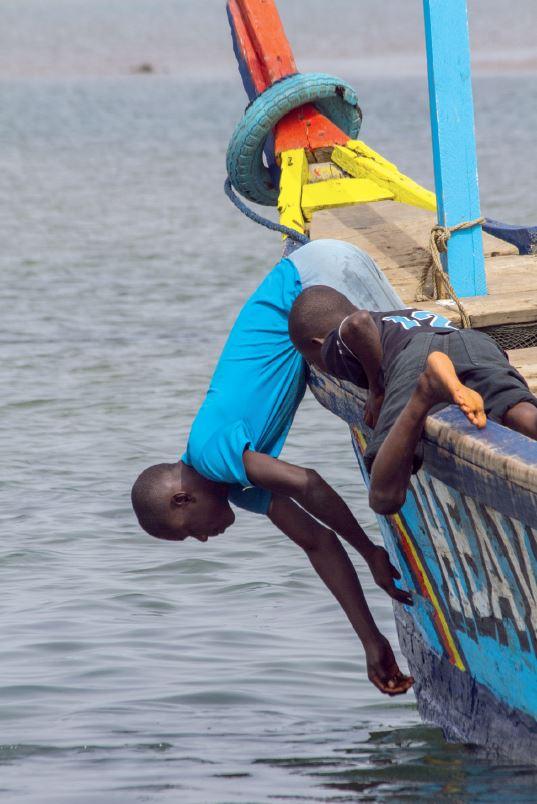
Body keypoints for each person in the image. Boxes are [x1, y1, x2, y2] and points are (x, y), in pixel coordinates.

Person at [132, 240, 414, 697]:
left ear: (182, 499)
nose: (202, 539)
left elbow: (307, 483)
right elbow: (317, 542)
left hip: (313, 279)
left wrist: (370, 554)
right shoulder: (235, 485)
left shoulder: (208, 454)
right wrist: (370, 639)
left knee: (415, 351)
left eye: (189, 532)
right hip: (312, 277)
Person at [288, 282, 537, 517]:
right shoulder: (398, 316)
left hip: (416, 356)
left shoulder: (334, 340)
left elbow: (357, 323)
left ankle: (428, 388)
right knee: (518, 411)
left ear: (317, 344)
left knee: (384, 496)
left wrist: (377, 389)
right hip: (473, 342)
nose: (318, 366)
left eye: (312, 360)